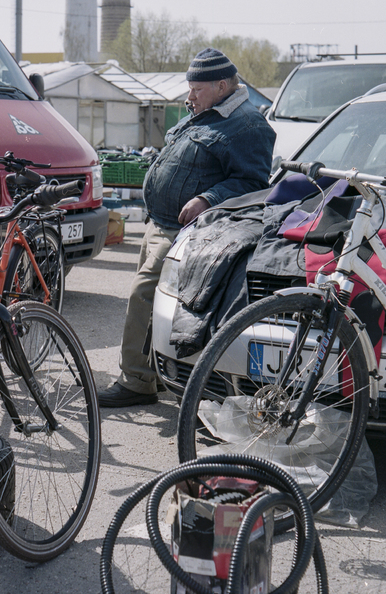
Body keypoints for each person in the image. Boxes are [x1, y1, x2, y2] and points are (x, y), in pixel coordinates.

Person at [97, 47, 276, 407]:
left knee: (142, 297)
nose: (189, 96)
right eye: (189, 87)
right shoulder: (206, 112)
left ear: (223, 85)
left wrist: (208, 198)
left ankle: (136, 381)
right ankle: (150, 376)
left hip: (185, 234)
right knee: (148, 305)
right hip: (159, 224)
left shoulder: (249, 126)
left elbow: (255, 183)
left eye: (196, 89)